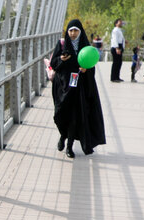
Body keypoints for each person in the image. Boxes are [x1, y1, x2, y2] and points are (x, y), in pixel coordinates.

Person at [50, 19, 106, 158]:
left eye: (76, 30)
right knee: (60, 113)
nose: (73, 33)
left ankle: (69, 147)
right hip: (62, 87)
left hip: (78, 87)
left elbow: (91, 67)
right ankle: (63, 136)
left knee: (74, 116)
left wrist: (86, 70)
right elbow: (53, 64)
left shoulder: (85, 46)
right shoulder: (62, 44)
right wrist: (61, 60)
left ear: (80, 32)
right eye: (70, 30)